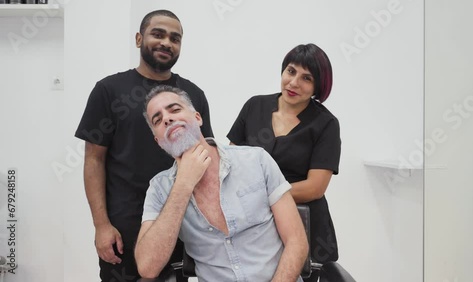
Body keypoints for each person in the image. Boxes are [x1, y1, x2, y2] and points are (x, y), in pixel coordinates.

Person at [74, 10, 213, 282]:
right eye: (158, 34)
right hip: (126, 227)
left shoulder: (193, 95)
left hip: (185, 223)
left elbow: (204, 155)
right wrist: (101, 225)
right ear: (139, 39)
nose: (166, 43)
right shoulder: (109, 90)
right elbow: (94, 161)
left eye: (175, 38)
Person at [135, 85, 309, 282]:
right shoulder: (159, 189)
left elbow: (297, 241)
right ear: (158, 141)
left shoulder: (257, 160)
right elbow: (147, 267)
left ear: (198, 118)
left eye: (175, 109)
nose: (167, 118)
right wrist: (183, 183)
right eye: (157, 120)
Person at [227, 43, 341, 282]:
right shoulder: (254, 106)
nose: (294, 83)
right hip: (255, 225)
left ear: (318, 87)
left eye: (306, 78)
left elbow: (315, 187)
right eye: (290, 71)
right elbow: (231, 164)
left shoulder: (326, 124)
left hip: (305, 223)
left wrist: (259, 197)